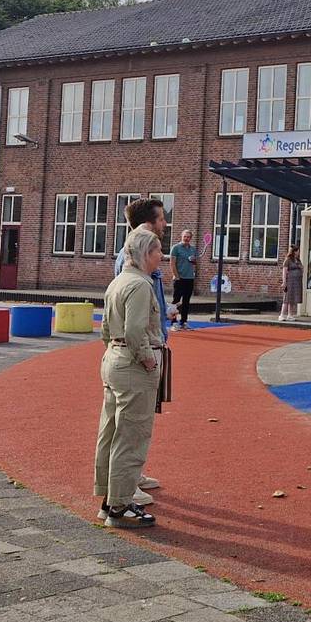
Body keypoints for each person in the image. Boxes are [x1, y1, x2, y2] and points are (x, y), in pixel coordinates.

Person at [96, 227, 165, 529]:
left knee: (110, 432)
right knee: (132, 435)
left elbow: (105, 331)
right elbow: (137, 331)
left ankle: (108, 498)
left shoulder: (117, 282)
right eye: (158, 251)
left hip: (114, 358)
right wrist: (148, 360)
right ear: (144, 254)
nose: (162, 256)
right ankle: (120, 505)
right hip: (133, 365)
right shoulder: (139, 285)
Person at [113, 198, 169, 503]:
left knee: (136, 420)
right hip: (137, 353)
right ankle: (124, 488)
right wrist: (148, 358)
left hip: (144, 343)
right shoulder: (132, 264)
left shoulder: (136, 263)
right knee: (132, 424)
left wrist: (164, 311)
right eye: (161, 219)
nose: (165, 224)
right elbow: (130, 324)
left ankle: (132, 475)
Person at [169, 229, 197, 330]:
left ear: (191, 238)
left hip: (189, 278)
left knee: (186, 301)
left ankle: (184, 322)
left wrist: (194, 261)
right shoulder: (176, 248)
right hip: (179, 278)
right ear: (182, 237)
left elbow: (194, 263)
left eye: (188, 237)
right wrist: (176, 276)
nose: (186, 238)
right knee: (176, 301)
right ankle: (173, 322)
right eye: (185, 236)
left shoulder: (193, 249)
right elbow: (172, 263)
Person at [280, 246, 304, 321]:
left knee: (293, 298)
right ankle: (282, 315)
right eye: (297, 251)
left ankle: (290, 314)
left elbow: (302, 268)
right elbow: (284, 271)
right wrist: (284, 282)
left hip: (297, 282)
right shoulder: (288, 260)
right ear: (294, 251)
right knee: (287, 298)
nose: (298, 253)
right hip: (290, 281)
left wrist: (300, 267)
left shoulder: (298, 260)